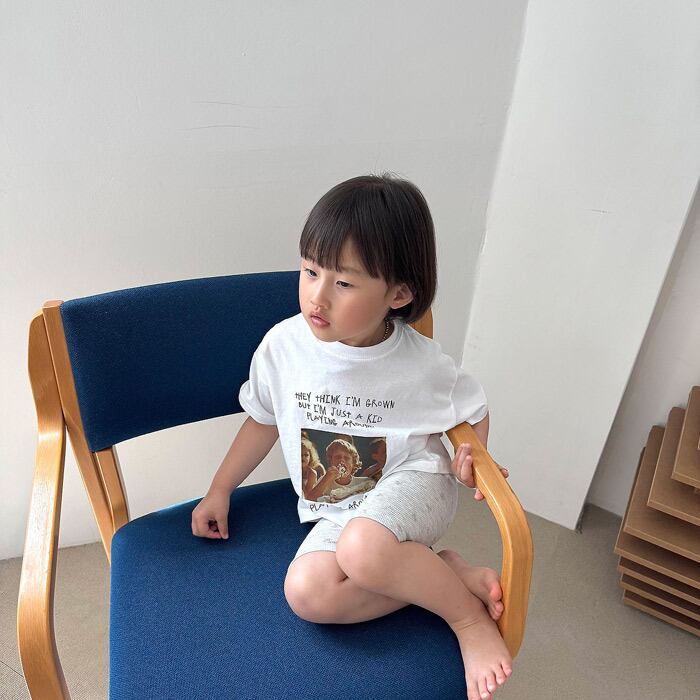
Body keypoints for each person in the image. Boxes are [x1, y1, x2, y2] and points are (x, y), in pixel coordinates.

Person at [191, 173, 512, 700]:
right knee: (307, 592)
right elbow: (263, 420)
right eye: (310, 270)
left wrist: (470, 454)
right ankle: (443, 572)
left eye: (343, 283)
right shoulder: (283, 348)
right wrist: (220, 489)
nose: (317, 296)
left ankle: (467, 619)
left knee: (364, 550)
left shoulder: (419, 363)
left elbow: (473, 410)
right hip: (339, 506)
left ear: (398, 293)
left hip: (414, 482)